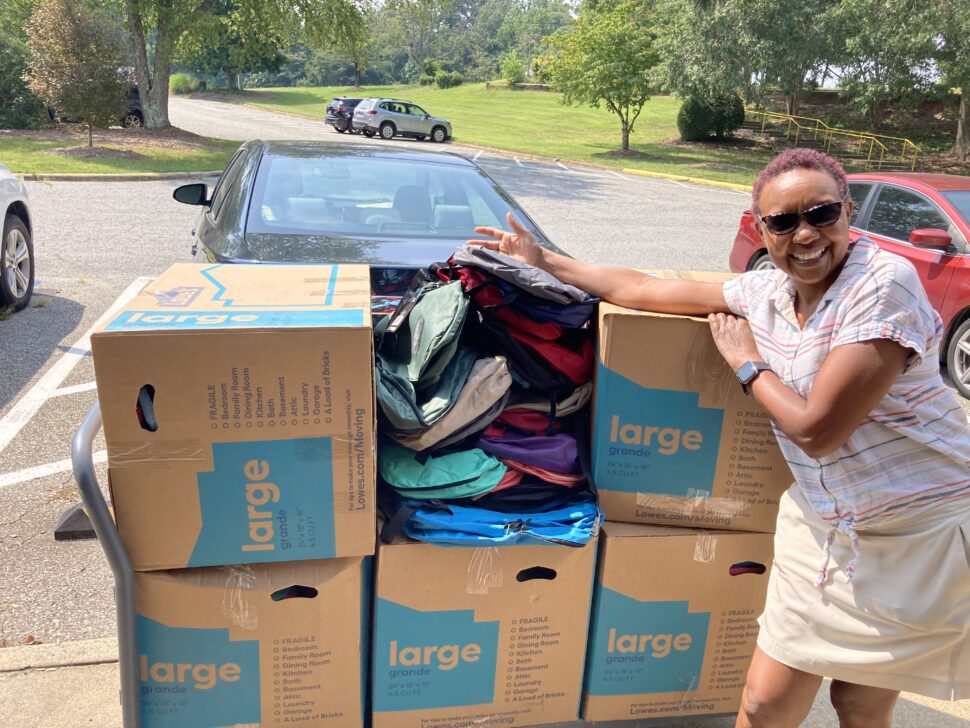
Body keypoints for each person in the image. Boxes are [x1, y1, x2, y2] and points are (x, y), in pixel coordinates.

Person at [468, 148, 970, 728]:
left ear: (848, 212)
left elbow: (817, 430)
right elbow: (642, 289)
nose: (804, 234)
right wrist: (545, 260)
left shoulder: (883, 285)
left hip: (918, 529)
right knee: (763, 703)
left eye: (822, 214)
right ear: (762, 229)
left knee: (858, 703)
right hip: (827, 526)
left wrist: (750, 365)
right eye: (783, 222)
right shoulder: (767, 293)